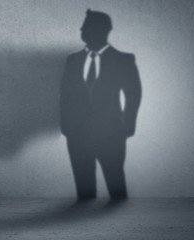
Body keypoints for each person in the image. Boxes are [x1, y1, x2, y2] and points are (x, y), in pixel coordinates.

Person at [60, 10, 142, 201]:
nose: (81, 29)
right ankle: (82, 228)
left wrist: (128, 126)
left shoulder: (124, 60)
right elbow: (65, 95)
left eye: (86, 26)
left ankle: (120, 223)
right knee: (84, 192)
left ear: (102, 30)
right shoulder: (72, 60)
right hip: (77, 134)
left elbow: (134, 94)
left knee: (116, 188)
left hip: (112, 133)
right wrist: (66, 126)